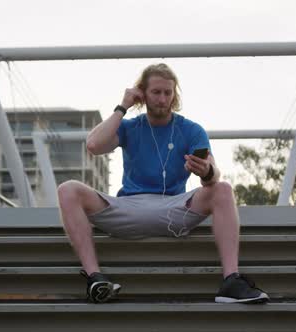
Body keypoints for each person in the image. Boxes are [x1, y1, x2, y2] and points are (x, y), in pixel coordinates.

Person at [57, 63, 269, 304]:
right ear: (143, 94)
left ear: (174, 95)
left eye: (167, 93)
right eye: (156, 92)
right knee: (68, 190)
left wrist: (207, 171)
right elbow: (94, 145)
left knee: (222, 189)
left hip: (174, 209)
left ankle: (231, 281)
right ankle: (95, 279)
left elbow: (213, 174)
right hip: (129, 209)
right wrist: (123, 106)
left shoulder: (191, 130)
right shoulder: (129, 126)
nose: (162, 99)